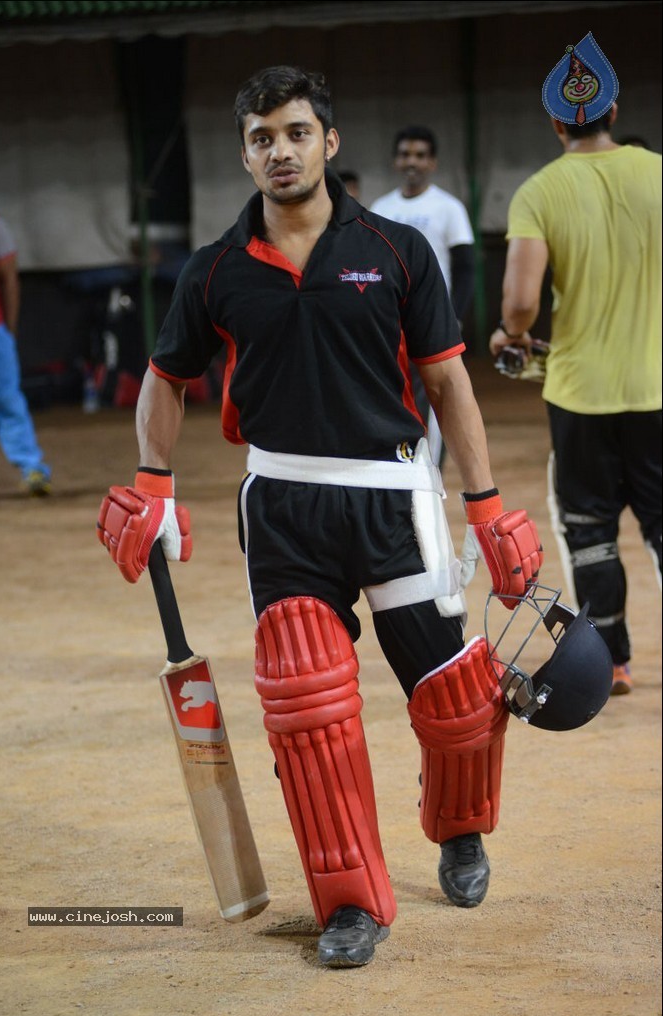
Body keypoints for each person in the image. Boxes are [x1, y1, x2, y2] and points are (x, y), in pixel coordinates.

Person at [97, 66, 543, 969]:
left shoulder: (396, 248)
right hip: (284, 503)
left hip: (393, 493)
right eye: (262, 138)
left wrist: (485, 502)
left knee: (454, 702)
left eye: (296, 132)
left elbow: (447, 379)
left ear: (328, 143)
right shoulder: (216, 269)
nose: (280, 151)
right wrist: (152, 483)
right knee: (306, 705)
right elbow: (165, 380)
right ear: (245, 152)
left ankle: (458, 829)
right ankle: (348, 903)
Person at [489, 36, 661, 699]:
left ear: (556, 122)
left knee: (589, 532)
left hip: (579, 396)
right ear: (612, 109)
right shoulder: (657, 173)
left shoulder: (539, 191)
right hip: (656, 391)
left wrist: (513, 335)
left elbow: (521, 304)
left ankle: (611, 661)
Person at [371, 126, 475, 464]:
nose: (411, 162)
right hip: (388, 326)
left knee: (437, 398)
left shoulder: (449, 208)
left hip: (432, 321)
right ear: (395, 160)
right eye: (404, 155)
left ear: (432, 162)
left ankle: (430, 475)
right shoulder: (379, 208)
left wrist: (453, 318)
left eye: (419, 155)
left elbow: (465, 268)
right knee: (390, 397)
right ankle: (397, 469)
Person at [0, 207, 52, 501]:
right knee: (8, 400)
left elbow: (10, 278)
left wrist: (8, 329)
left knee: (7, 399)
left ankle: (32, 469)